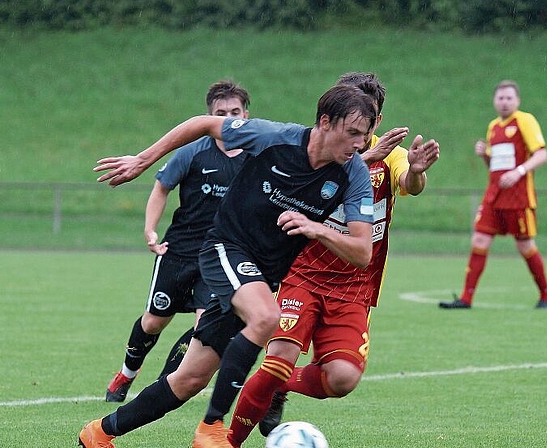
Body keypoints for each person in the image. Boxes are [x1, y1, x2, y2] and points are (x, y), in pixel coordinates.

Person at [79, 84, 378, 448]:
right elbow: (203, 123)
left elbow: (362, 251)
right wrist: (143, 160)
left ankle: (98, 433)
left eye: (364, 135)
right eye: (353, 133)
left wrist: (317, 229)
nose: (360, 144)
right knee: (267, 318)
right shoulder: (275, 138)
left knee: (189, 379)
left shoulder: (353, 175)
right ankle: (212, 427)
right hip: (226, 247)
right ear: (326, 122)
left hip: (261, 276)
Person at [226, 72, 440, 447]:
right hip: (303, 272)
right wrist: (361, 160)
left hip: (355, 285)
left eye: (368, 117)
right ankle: (226, 441)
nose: (358, 126)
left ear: (377, 120)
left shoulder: (392, 155)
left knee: (342, 379)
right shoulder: (323, 148)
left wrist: (417, 173)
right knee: (278, 358)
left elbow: (409, 183)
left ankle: (275, 386)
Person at [105, 80, 251, 403]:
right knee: (154, 321)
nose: (229, 118)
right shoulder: (193, 151)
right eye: (221, 113)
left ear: (247, 114)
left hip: (219, 256)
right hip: (179, 251)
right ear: (209, 115)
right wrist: (150, 229)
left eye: (235, 111)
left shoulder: (254, 157)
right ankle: (125, 375)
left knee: (205, 325)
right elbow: (162, 187)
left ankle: (163, 387)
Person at [439, 80, 547, 310]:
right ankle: (466, 298)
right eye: (500, 98)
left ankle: (546, 297)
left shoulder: (525, 120)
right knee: (479, 240)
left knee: (525, 245)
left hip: (519, 197)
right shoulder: (494, 126)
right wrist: (485, 155)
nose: (504, 102)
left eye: (509, 98)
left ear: (517, 101)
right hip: (494, 195)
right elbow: (496, 166)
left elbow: (542, 155)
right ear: (494, 101)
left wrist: (519, 172)